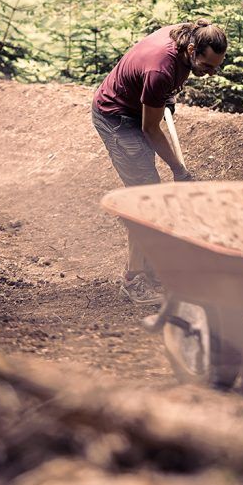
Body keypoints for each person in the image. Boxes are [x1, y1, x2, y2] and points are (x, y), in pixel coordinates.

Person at [92, 19, 227, 304]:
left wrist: (164, 98)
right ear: (191, 50)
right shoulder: (160, 69)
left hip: (137, 107)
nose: (212, 74)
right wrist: (179, 169)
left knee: (149, 195)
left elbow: (154, 98)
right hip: (116, 116)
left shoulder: (188, 37)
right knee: (145, 199)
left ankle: (155, 270)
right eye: (207, 67)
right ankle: (134, 279)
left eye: (217, 66)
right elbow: (150, 129)